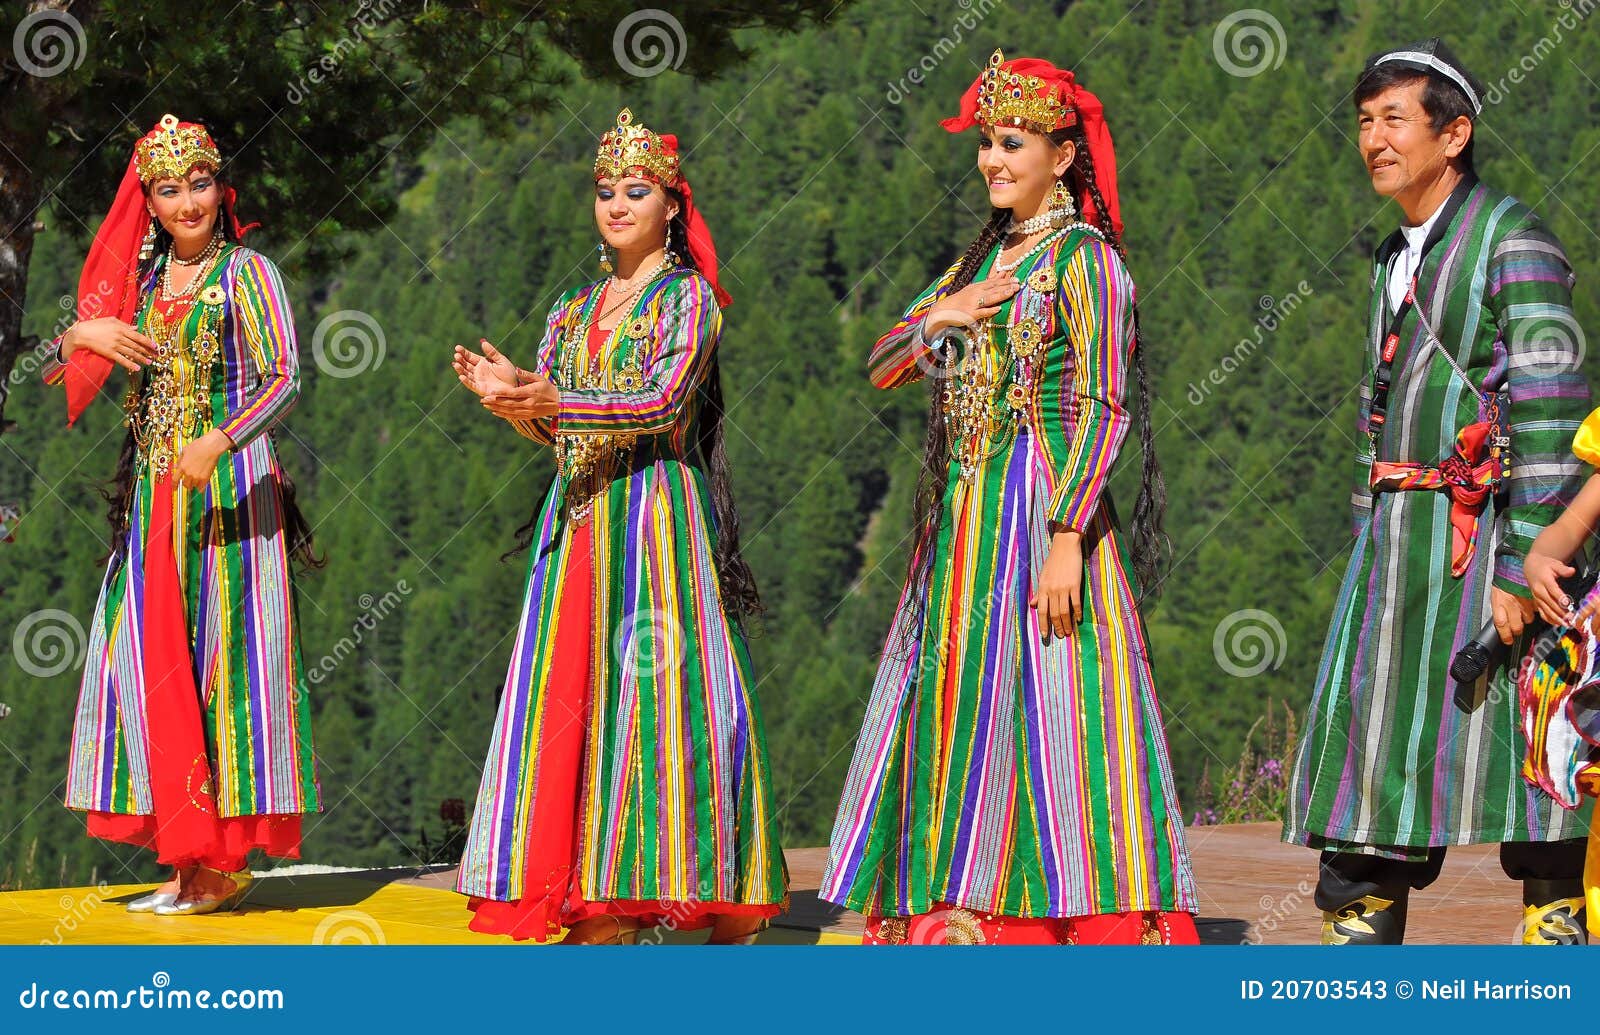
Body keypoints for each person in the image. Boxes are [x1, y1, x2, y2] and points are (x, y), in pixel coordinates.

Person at [818, 50, 1200, 945]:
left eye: (1014, 143)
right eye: (988, 143)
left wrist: (1068, 533)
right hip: (961, 520)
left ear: (1063, 156)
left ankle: (1073, 909)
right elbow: (880, 365)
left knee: (1061, 706)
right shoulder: (978, 264)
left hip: (1042, 509)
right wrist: (936, 320)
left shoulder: (1087, 261)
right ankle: (965, 905)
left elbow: (1105, 403)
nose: (994, 160)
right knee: (962, 703)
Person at [1282, 39, 1593, 945]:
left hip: (1503, 537)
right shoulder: (1393, 254)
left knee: (1532, 756)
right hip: (1398, 543)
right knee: (1370, 745)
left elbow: (1551, 402)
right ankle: (1363, 955)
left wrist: (1526, 557)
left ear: (1454, 134)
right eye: (1364, 122)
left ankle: (1554, 952)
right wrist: (1364, 526)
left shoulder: (1514, 236)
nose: (1374, 140)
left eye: (1395, 120)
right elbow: (1378, 409)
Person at [449, 108, 786, 945]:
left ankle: (675, 888)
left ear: (673, 204)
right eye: (606, 192)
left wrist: (553, 400)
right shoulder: (573, 306)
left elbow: (664, 403)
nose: (617, 206)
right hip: (577, 526)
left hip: (656, 522)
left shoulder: (691, 299)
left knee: (662, 700)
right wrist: (513, 400)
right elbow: (559, 425)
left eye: (636, 191)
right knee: (572, 700)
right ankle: (597, 895)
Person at [44, 114, 321, 915]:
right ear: (152, 204)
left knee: (223, 664)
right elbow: (71, 365)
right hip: (155, 497)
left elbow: (284, 376)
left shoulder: (247, 273)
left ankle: (220, 863)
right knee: (152, 661)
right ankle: (185, 856)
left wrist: (221, 440)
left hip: (230, 494)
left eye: (199, 183)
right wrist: (77, 333)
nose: (189, 200)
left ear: (217, 187)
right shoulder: (144, 284)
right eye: (170, 189)